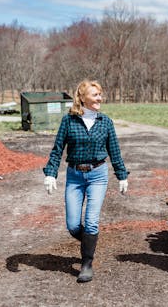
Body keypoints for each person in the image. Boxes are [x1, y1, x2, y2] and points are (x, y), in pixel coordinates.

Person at [43, 79, 129, 283]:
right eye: (95, 94)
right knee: (73, 225)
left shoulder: (105, 122)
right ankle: (90, 242)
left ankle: (86, 264)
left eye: (100, 94)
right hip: (74, 176)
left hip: (98, 175)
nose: (100, 98)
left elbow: (114, 151)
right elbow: (57, 149)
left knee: (91, 222)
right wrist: (50, 173)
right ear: (82, 98)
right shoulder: (68, 121)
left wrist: (122, 175)